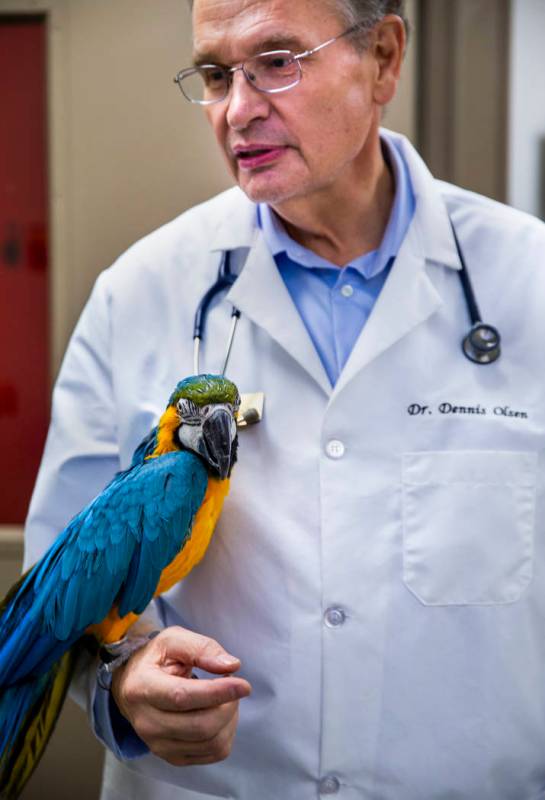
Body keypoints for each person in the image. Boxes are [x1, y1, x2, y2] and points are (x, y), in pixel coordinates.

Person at [24, 0, 545, 797]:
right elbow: (58, 576)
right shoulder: (139, 291)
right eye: (213, 73)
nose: (236, 109)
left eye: (276, 61)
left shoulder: (529, 281)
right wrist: (125, 680)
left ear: (382, 58)